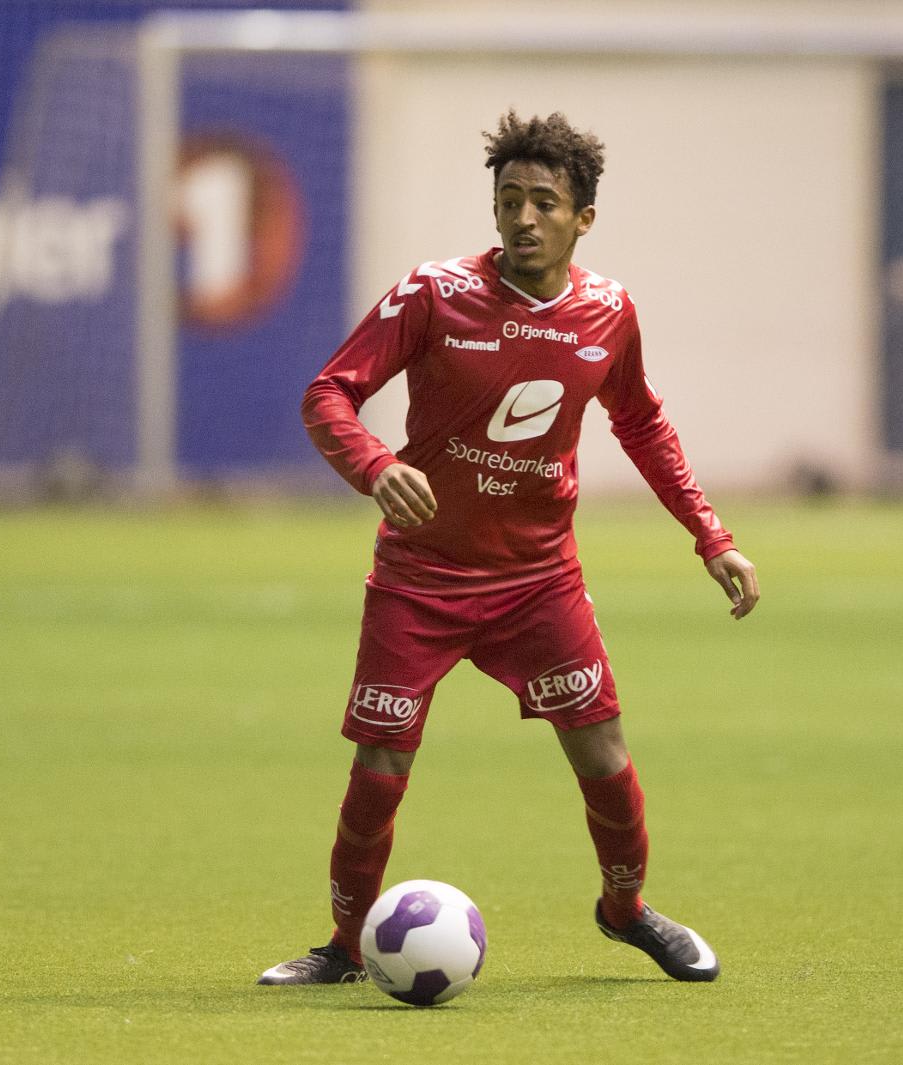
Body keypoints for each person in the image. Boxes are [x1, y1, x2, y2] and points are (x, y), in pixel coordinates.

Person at [257, 110, 759, 987]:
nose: (524, 218)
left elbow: (642, 423)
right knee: (380, 763)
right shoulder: (433, 294)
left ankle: (626, 910)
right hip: (420, 578)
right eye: (509, 200)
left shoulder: (608, 314)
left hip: (538, 583)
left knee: (603, 754)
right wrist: (376, 465)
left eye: (544, 203)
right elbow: (328, 393)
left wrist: (709, 534)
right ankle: (343, 946)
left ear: (583, 218)